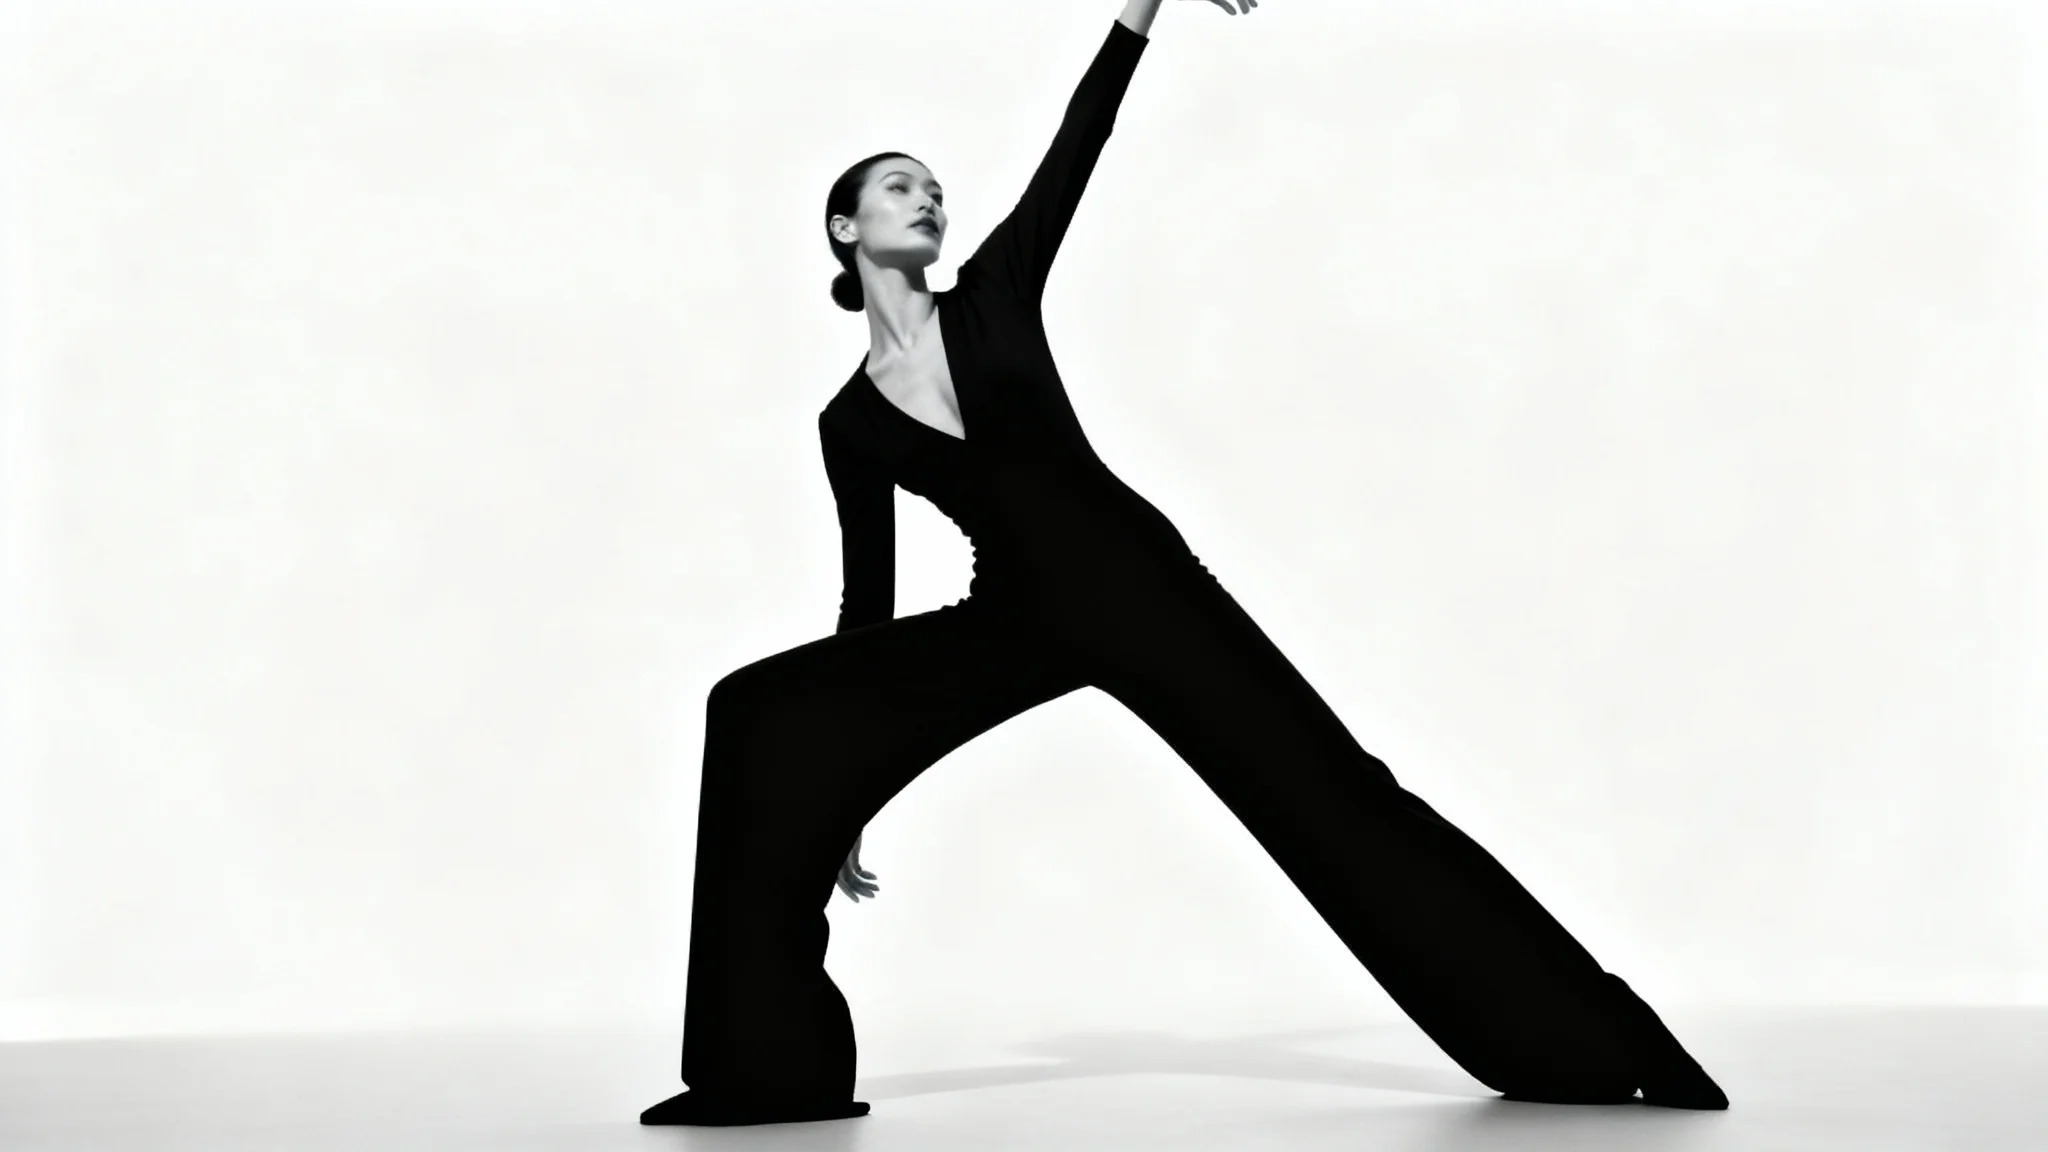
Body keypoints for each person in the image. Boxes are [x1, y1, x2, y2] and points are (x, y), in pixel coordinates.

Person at [640, 0, 1727, 1127]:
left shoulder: (1000, 291)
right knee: (760, 717)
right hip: (1012, 614)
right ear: (844, 228)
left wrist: (1138, 5)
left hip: (1138, 587)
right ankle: (763, 1072)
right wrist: (847, 784)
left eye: (932, 186)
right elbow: (867, 603)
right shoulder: (847, 425)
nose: (928, 198)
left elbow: (1080, 139)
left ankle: (1601, 1040)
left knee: (1337, 797)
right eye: (898, 186)